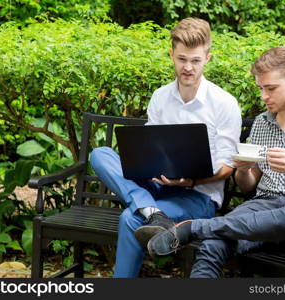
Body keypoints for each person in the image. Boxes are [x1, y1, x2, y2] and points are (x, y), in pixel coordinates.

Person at [147, 46, 285, 278]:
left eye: (271, 89)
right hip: (260, 211)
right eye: (260, 88)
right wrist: (244, 170)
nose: (263, 96)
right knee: (212, 246)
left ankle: (194, 227)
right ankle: (199, 231)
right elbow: (248, 186)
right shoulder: (262, 122)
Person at [90, 17, 242, 278]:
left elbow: (228, 167)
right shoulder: (160, 97)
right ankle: (153, 211)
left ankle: (147, 212)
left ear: (208, 58)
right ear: (171, 54)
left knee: (131, 217)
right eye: (182, 59)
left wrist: (190, 181)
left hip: (197, 196)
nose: (188, 67)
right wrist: (146, 164)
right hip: (156, 184)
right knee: (100, 154)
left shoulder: (224, 104)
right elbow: (148, 147)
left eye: (195, 60)